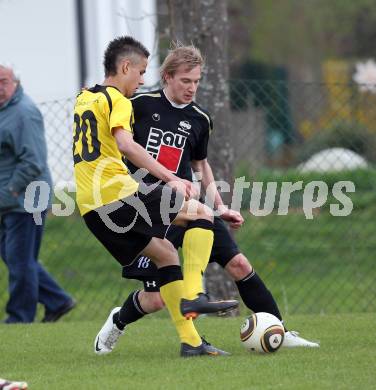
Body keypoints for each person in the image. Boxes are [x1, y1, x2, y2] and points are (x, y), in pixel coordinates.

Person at [119, 43, 319, 348]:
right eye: (185, 81)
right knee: (157, 298)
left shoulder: (200, 118)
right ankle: (117, 320)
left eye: (197, 81)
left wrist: (220, 206)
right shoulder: (139, 105)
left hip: (188, 205)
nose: (192, 88)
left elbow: (200, 165)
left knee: (239, 264)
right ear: (168, 77)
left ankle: (280, 330)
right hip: (148, 207)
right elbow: (108, 116)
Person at [74, 36, 238, 358]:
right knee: (202, 214)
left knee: (166, 256)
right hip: (119, 195)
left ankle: (191, 344)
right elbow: (126, 144)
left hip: (91, 207)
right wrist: (170, 177)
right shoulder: (119, 101)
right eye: (140, 72)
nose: (141, 80)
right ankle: (194, 294)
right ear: (125, 67)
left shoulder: (85, 98)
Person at [0, 63, 75, 324]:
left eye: (3, 81)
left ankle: (20, 318)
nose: (0, 87)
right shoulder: (4, 111)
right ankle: (58, 300)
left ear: (15, 82)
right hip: (10, 201)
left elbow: (33, 162)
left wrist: (10, 189)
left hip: (27, 199)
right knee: (17, 258)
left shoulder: (23, 113)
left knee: (20, 261)